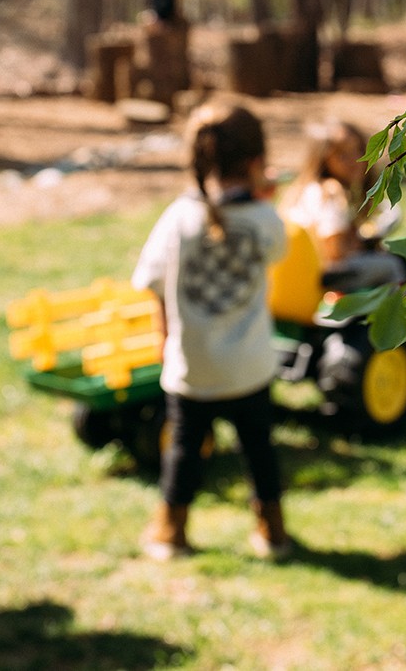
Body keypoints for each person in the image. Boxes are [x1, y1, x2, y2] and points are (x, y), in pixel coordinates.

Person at [131, 104, 293, 561]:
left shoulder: (177, 219)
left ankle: (171, 533)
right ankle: (273, 534)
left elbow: (150, 282)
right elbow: (280, 249)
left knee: (183, 452)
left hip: (192, 365)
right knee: (260, 451)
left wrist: (164, 335)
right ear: (257, 159)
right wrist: (267, 198)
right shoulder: (264, 219)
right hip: (250, 366)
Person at [279, 119, 405, 291]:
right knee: (391, 265)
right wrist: (361, 243)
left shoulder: (307, 189)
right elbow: (334, 253)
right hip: (320, 275)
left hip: (295, 276)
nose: (355, 161)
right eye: (342, 155)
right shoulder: (330, 192)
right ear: (324, 159)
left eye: (359, 151)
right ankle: (401, 314)